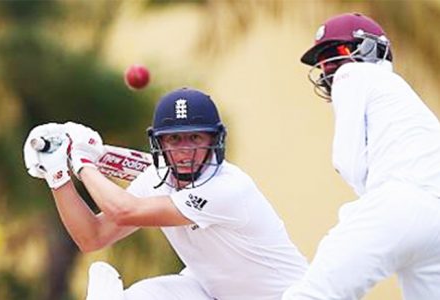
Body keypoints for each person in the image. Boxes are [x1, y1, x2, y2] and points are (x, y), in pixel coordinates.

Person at [23, 87, 308, 300]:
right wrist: (58, 175)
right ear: (159, 143)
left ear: (214, 140)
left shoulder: (229, 188)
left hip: (290, 296)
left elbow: (125, 211)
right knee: (146, 295)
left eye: (195, 137)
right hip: (214, 292)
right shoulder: (156, 180)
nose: (184, 150)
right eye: (174, 139)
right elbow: (92, 237)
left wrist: (82, 162)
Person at [282, 12, 440, 300]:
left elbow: (347, 160)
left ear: (370, 49)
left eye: (336, 53)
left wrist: (365, 213)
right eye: (323, 61)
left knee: (314, 294)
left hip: (399, 202)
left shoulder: (353, 73)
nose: (328, 68)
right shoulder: (400, 94)